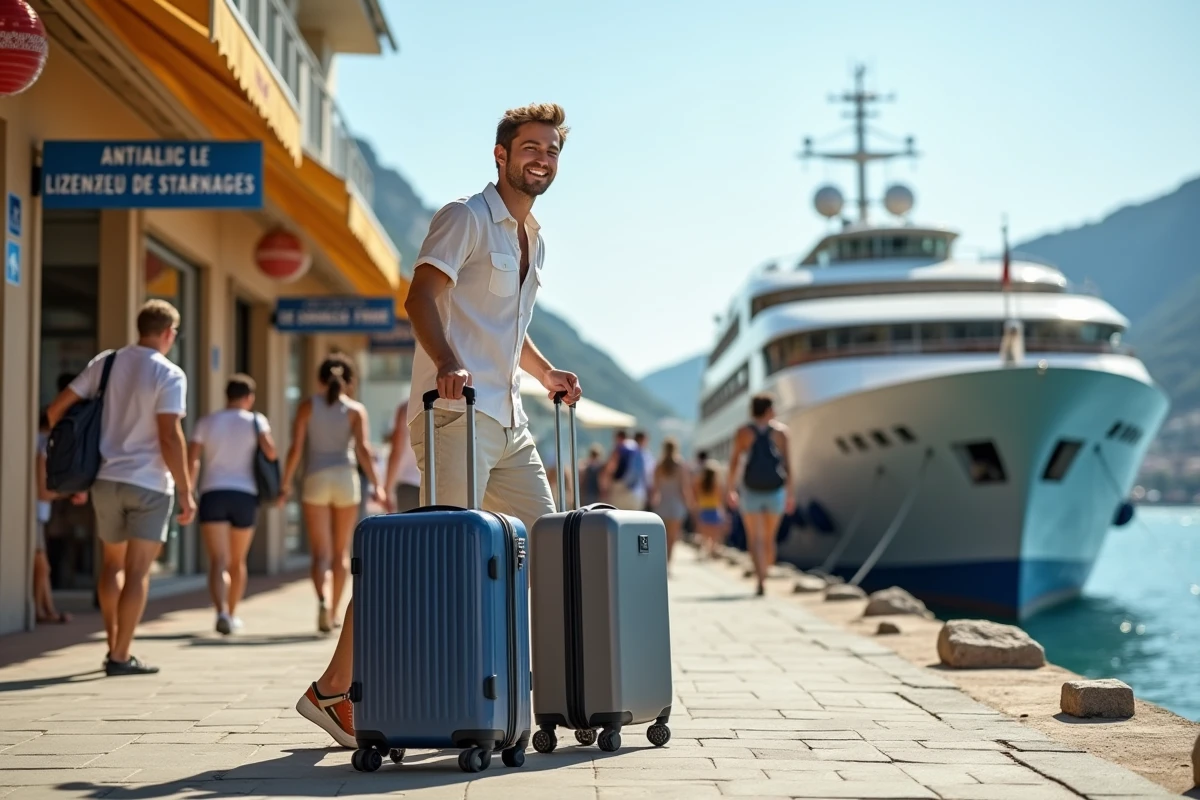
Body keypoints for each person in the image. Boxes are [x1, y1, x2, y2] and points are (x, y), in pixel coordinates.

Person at [295, 102, 582, 748]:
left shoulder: (533, 236)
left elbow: (508, 331)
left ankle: (559, 695)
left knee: (551, 549)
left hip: (509, 419)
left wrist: (546, 375)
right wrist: (448, 359)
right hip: (455, 414)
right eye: (531, 147)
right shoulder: (466, 218)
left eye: (553, 149)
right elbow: (421, 295)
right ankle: (334, 689)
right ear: (501, 155)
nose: (542, 157)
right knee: (434, 561)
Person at [47, 299, 195, 675]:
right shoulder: (170, 373)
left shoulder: (106, 362)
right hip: (148, 484)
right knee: (138, 571)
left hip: (106, 481)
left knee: (111, 566)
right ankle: (119, 655)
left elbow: (55, 410)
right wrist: (187, 489)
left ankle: (113, 642)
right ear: (169, 333)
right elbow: (169, 436)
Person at [279, 354, 385, 634]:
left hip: (315, 479)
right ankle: (335, 611)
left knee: (320, 553)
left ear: (319, 379)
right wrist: (378, 485)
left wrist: (285, 483)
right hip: (345, 480)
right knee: (340, 553)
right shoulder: (355, 409)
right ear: (349, 382)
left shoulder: (306, 407)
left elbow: (295, 449)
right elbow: (362, 450)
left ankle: (323, 601)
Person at [187, 374, 276, 635]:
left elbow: (193, 459)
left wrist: (188, 492)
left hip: (212, 493)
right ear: (249, 398)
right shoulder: (256, 420)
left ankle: (220, 612)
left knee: (217, 560)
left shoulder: (207, 422)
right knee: (237, 561)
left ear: (227, 396)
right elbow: (271, 452)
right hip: (244, 495)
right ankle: (233, 614)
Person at [726, 392, 793, 596]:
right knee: (769, 538)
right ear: (769, 409)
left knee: (754, 537)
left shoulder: (743, 432)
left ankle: (760, 579)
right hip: (775, 490)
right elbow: (788, 465)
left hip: (751, 489)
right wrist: (791, 493)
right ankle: (766, 572)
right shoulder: (781, 432)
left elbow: (735, 462)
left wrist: (730, 489)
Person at [33, 410, 78, 624]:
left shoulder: (40, 443)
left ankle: (44, 610)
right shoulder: (43, 446)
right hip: (33, 513)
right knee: (42, 564)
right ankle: (45, 611)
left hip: (37, 514)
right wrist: (70, 493)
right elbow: (42, 491)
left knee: (41, 564)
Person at [650, 437, 695, 567]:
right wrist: (690, 503)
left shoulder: (659, 465)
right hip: (676, 505)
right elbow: (685, 488)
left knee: (661, 537)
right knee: (672, 537)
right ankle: (668, 563)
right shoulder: (680, 465)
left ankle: (660, 561)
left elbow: (655, 488)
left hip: (662, 504)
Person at [384, 400, 422, 513]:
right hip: (437, 485)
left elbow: (396, 451)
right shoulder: (448, 403)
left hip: (409, 484)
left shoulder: (407, 407)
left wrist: (387, 489)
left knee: (411, 529)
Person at [692, 456, 727, 558]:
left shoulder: (700, 483)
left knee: (704, 532)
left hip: (703, 509)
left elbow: (696, 493)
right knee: (714, 532)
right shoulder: (716, 484)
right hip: (714, 509)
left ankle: (706, 548)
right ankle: (712, 549)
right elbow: (720, 497)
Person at [604, 430, 646, 510]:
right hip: (636, 491)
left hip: (619, 487)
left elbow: (610, 468)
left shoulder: (619, 448)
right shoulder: (637, 449)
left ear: (619, 438)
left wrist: (606, 487)